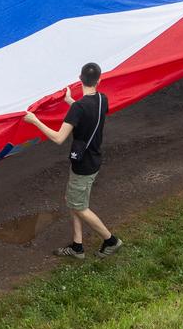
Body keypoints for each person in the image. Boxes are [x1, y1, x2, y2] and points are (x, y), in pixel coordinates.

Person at [22, 62, 122, 259]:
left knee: (79, 206)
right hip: (92, 160)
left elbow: (59, 138)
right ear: (99, 80)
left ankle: (111, 240)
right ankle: (78, 247)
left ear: (80, 78)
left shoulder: (79, 107)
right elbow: (88, 112)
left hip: (83, 165)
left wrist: (35, 121)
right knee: (72, 201)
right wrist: (69, 101)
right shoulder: (102, 99)